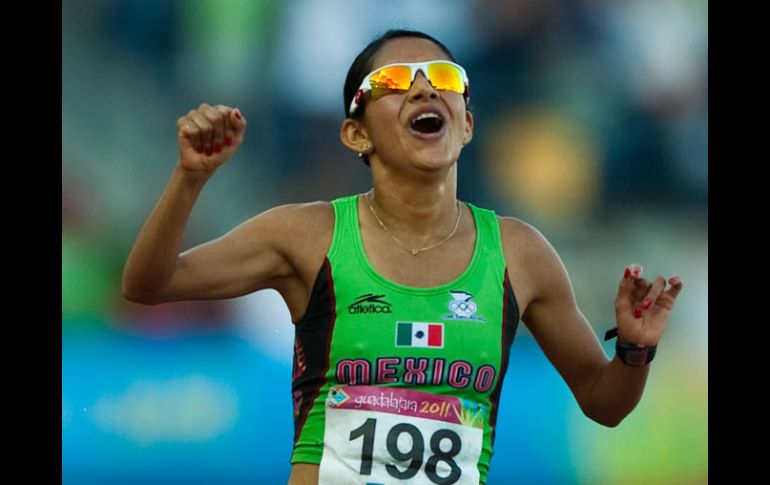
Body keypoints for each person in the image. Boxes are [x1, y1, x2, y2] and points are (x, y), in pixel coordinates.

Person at [122, 29, 683, 485]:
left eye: (443, 78)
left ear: (466, 122)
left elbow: (603, 402)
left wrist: (635, 348)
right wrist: (189, 179)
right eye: (392, 81)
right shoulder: (307, 234)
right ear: (354, 134)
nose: (424, 90)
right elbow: (149, 283)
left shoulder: (520, 253)